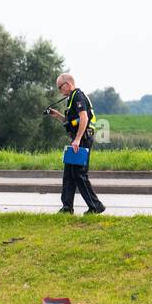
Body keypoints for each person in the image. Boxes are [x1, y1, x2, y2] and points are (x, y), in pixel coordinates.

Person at [47, 73, 105, 215]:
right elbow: (72, 122)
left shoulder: (78, 96)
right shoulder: (72, 99)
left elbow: (83, 118)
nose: (60, 91)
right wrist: (58, 116)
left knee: (79, 174)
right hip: (77, 140)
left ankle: (96, 206)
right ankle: (67, 208)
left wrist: (78, 139)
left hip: (82, 139)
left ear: (68, 84)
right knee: (69, 174)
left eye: (60, 88)